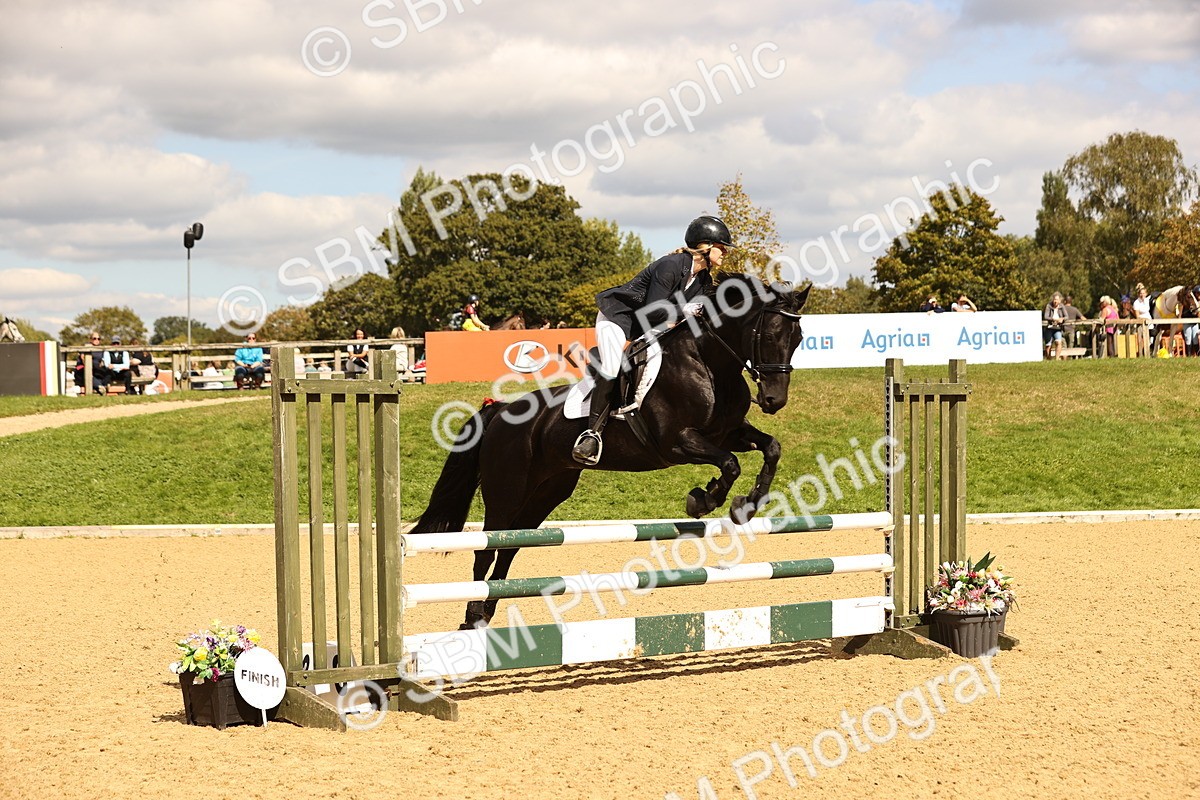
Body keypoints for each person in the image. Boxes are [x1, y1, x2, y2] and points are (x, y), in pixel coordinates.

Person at [570, 215, 732, 465]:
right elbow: (653, 310)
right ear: (705, 246)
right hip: (618, 318)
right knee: (613, 367)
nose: (725, 253)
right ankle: (591, 434)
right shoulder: (670, 265)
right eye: (722, 248)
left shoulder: (703, 279)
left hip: (650, 327)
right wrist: (686, 310)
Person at [1043, 292, 1067, 360]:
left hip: (1058, 328)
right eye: (1054, 299)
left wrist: (1062, 319)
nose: (1055, 301)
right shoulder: (1048, 306)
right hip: (1050, 327)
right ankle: (1048, 358)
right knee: (1048, 345)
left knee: (1059, 342)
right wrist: (1053, 319)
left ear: (1059, 300)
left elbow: (1066, 316)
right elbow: (1046, 316)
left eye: (1056, 300)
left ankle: (1057, 358)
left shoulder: (1062, 306)